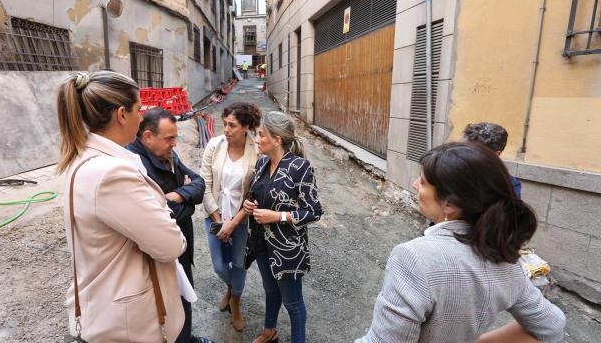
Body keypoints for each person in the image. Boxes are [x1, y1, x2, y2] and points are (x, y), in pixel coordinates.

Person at [356, 142, 566, 343]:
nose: (414, 184)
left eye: (423, 182)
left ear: (449, 203)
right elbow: (552, 326)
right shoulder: (507, 262)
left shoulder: (413, 258)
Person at [56, 71, 188, 342]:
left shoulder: (81, 158)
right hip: (127, 323)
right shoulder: (111, 173)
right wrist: (161, 209)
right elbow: (171, 244)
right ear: (121, 114)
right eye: (139, 109)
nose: (142, 117)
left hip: (103, 301)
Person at [126, 108, 213, 343]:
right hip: (158, 251)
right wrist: (187, 202)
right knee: (164, 302)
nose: (174, 144)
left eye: (175, 137)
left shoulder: (167, 153)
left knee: (184, 295)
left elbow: (198, 182)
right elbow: (161, 216)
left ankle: (186, 338)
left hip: (181, 242)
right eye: (169, 138)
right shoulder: (134, 164)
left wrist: (177, 195)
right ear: (147, 137)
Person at [243, 111, 323, 343]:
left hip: (287, 249)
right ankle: (270, 332)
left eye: (261, 135)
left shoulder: (300, 168)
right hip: (261, 243)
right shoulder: (261, 164)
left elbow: (314, 211)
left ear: (277, 139)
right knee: (270, 291)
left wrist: (278, 216)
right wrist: (250, 205)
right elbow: (260, 195)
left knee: (293, 304)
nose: (257, 139)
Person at [200, 102, 261, 332]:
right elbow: (204, 183)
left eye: (232, 125)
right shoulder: (214, 145)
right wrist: (218, 221)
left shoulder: (256, 151)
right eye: (225, 124)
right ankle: (231, 287)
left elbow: (255, 192)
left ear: (245, 127)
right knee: (218, 265)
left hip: (242, 220)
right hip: (215, 213)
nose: (226, 129)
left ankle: (235, 300)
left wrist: (234, 223)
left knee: (238, 264)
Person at [463, 122, 521, 198]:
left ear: (496, 154)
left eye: (475, 152)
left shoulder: (510, 185)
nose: (466, 154)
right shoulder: (451, 170)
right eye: (465, 149)